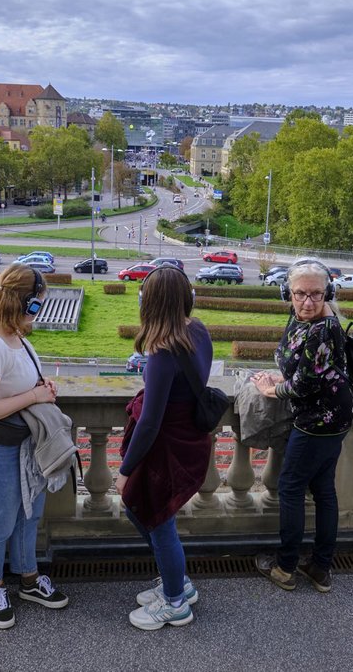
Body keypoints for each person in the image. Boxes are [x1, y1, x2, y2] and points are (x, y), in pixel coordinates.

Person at [0, 265, 69, 630]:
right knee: (0, 522)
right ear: (25, 303)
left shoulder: (18, 339)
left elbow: (20, 390)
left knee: (29, 517)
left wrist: (42, 391)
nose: (40, 311)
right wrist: (33, 395)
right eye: (38, 304)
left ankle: (28, 580)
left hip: (24, 447)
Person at [118, 266, 213, 630]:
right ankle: (178, 583)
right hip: (189, 439)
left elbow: (150, 423)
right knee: (154, 518)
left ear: (150, 304)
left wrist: (125, 471)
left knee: (156, 520)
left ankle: (175, 601)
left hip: (165, 448)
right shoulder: (199, 331)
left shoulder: (161, 355)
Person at [252, 258, 353, 593]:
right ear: (288, 293)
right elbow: (297, 366)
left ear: (329, 293)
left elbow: (303, 386)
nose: (308, 302)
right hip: (334, 418)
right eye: (300, 294)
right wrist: (283, 375)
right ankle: (321, 569)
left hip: (316, 422)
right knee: (324, 490)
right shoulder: (300, 317)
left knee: (292, 489)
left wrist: (271, 389)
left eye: (316, 294)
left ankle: (285, 568)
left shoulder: (323, 329)